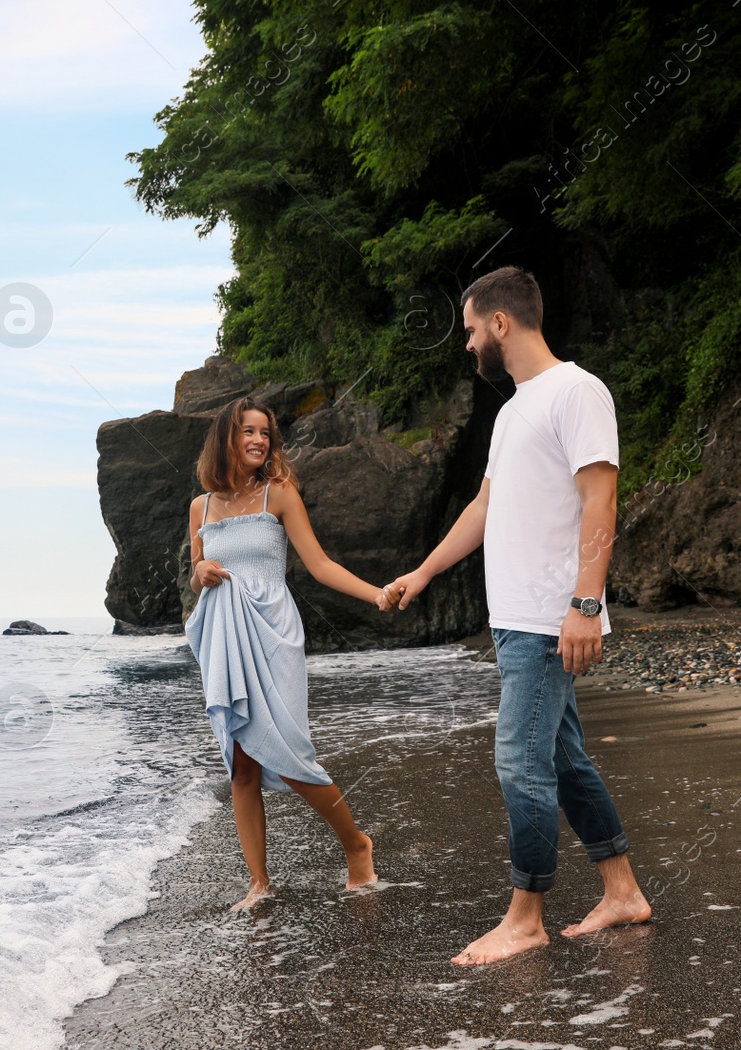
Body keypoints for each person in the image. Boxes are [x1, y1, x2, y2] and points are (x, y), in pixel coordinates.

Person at [385, 265, 651, 964]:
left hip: (549, 617)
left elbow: (602, 500)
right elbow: (483, 507)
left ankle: (526, 916)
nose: (468, 343)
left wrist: (585, 604)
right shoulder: (512, 411)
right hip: (518, 620)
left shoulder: (577, 391)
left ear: (500, 323)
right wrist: (424, 570)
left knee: (519, 761)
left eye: (472, 330)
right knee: (561, 759)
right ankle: (621, 891)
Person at [185, 395, 394, 911]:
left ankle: (356, 844)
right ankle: (258, 882)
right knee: (242, 765)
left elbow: (319, 565)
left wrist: (375, 594)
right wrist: (202, 573)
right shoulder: (201, 507)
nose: (259, 440)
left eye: (265, 433)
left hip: (274, 633)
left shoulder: (278, 494)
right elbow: (196, 575)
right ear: (226, 439)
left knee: (293, 755)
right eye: (248, 431)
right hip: (226, 639)